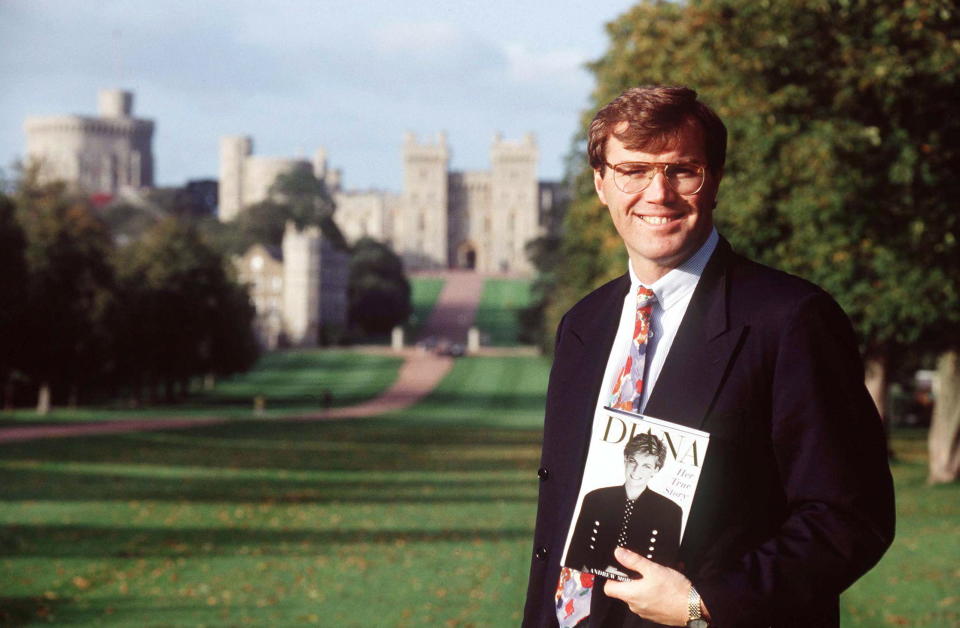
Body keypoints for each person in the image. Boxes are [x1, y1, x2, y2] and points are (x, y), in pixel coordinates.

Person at [522, 86, 895, 628]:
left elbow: (849, 516)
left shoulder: (790, 319)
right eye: (633, 171)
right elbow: (561, 518)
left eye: (681, 170)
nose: (658, 193)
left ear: (714, 179)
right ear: (601, 184)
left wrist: (707, 604)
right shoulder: (583, 325)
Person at [565, 433, 682, 580]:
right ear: (625, 459)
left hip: (639, 593)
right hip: (589, 584)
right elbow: (575, 554)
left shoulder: (671, 511)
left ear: (656, 469)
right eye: (633, 461)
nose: (636, 471)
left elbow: (666, 569)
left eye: (646, 466)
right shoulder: (595, 499)